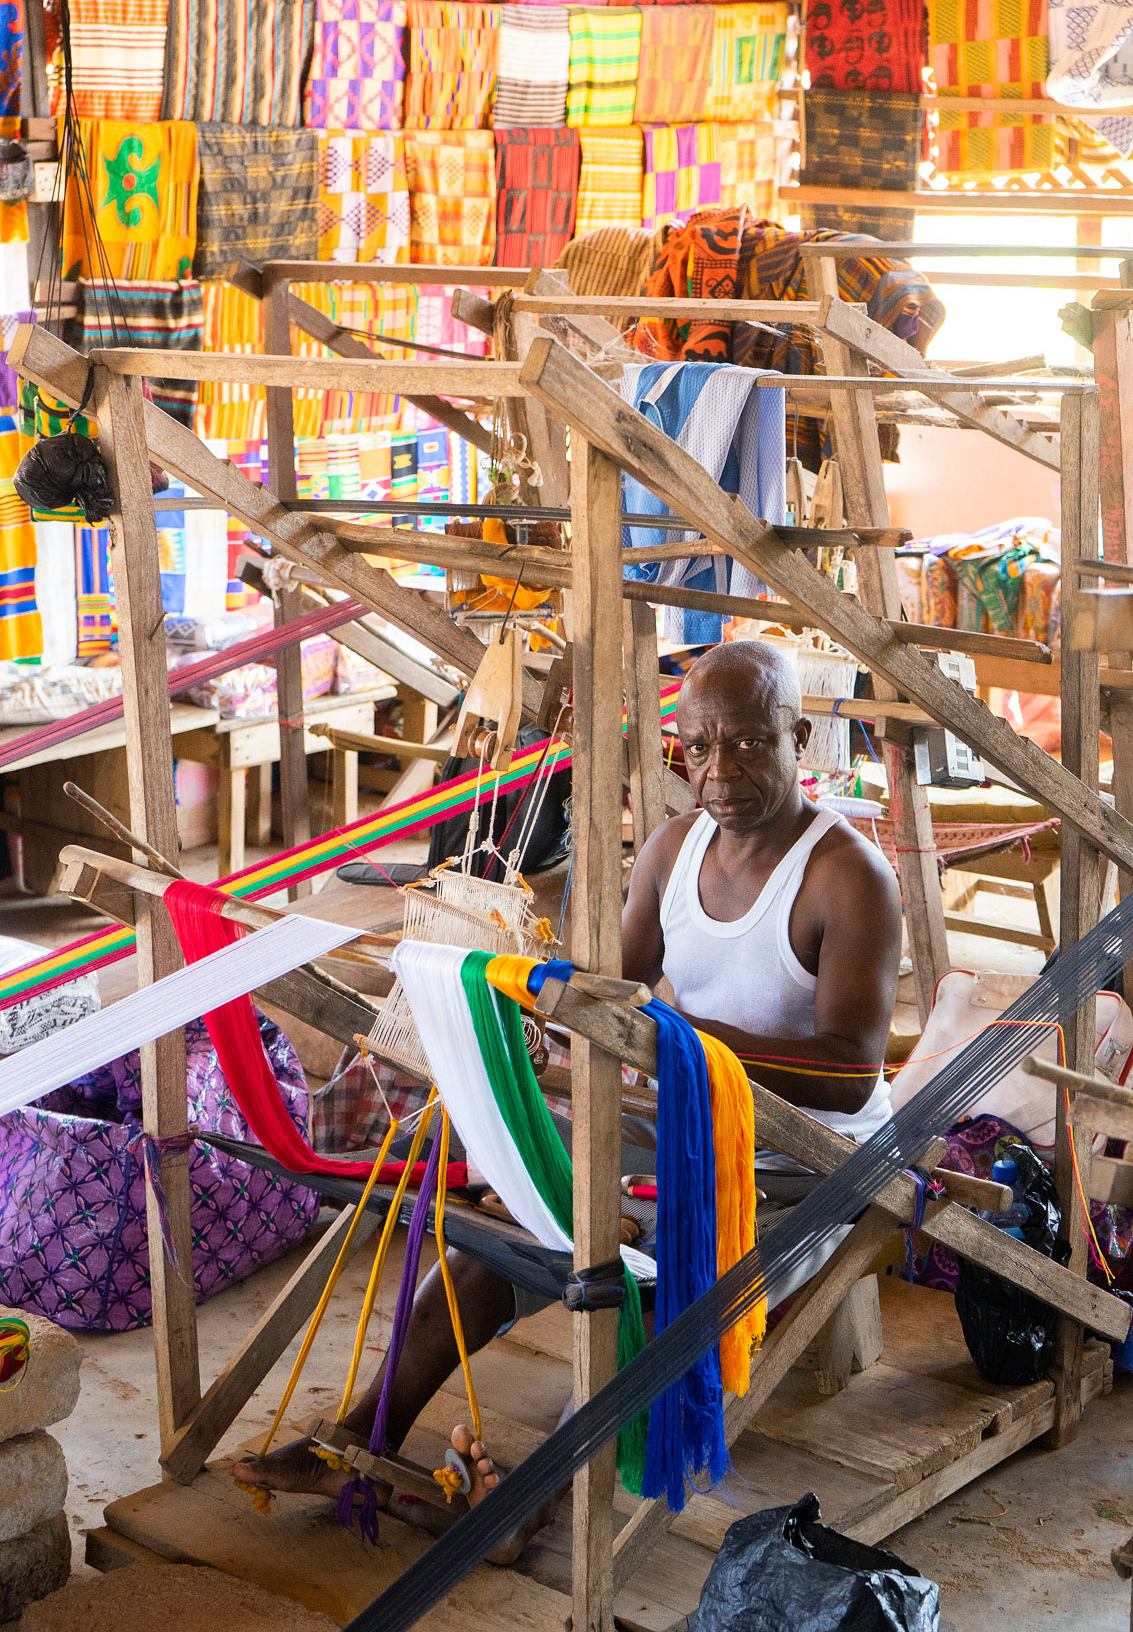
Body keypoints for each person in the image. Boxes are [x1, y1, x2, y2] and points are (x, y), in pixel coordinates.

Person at [234, 639, 902, 1553]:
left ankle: (527, 1507)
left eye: (747, 743)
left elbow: (848, 1069)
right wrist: (523, 1006)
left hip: (802, 1157)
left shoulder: (847, 876)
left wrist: (678, 1045)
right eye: (698, 748)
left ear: (797, 734)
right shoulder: (671, 849)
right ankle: (360, 1435)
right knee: (507, 1237)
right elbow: (613, 995)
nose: (719, 771)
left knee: (651, 1294)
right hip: (682, 1120)